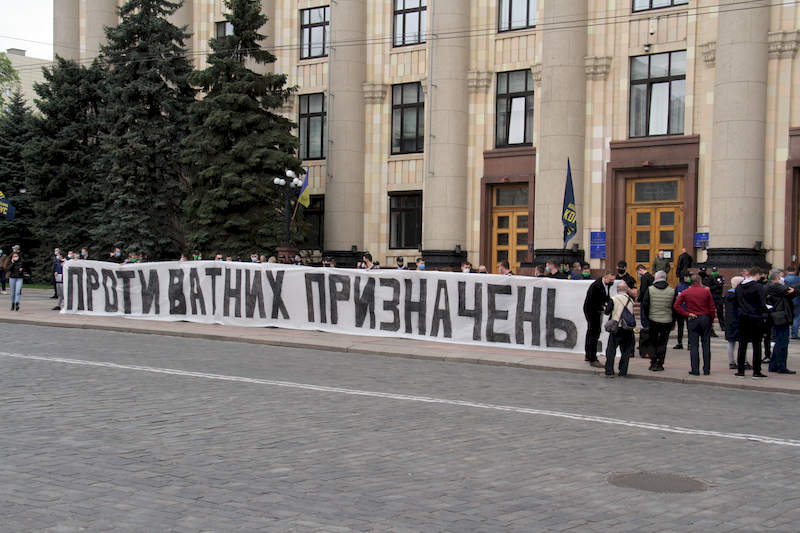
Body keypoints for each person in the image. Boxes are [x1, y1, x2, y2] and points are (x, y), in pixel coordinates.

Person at [673, 274, 716, 376]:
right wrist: (711, 320)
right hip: (705, 318)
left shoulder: (686, 292)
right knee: (706, 345)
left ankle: (695, 369)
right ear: (700, 281)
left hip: (693, 319)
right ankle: (706, 369)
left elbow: (676, 306)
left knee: (694, 345)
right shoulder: (706, 292)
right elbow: (712, 307)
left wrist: (686, 314)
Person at [734, 267, 768, 379]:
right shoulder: (758, 287)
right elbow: (762, 304)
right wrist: (767, 311)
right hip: (755, 318)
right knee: (757, 345)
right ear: (757, 274)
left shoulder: (739, 286)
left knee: (742, 345)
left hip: (742, 318)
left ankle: (740, 371)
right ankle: (756, 371)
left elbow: (736, 302)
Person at [642, 270, 675, 372]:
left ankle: (653, 363)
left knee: (653, 342)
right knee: (663, 343)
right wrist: (673, 321)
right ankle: (660, 364)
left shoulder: (650, 289)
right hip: (667, 321)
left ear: (656, 278)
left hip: (653, 320)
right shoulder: (672, 291)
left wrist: (648, 317)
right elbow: (674, 308)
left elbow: (645, 305)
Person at [766, 269, 796, 374]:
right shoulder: (775, 286)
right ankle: (781, 366)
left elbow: (791, 293)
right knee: (782, 343)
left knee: (779, 342)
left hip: (777, 316)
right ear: (777, 278)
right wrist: (791, 288)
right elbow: (789, 290)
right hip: (781, 317)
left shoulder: (770, 286)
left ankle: (774, 365)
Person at [582, 270, 615, 368]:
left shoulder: (607, 284)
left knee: (591, 332)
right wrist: (604, 308)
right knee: (594, 333)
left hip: (596, 310)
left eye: (613, 280)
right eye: (610, 280)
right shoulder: (596, 286)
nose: (612, 282)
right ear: (605, 277)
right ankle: (593, 358)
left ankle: (588, 355)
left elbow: (606, 296)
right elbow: (593, 302)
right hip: (591, 311)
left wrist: (610, 303)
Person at [604, 281, 636, 377]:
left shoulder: (614, 299)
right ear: (626, 290)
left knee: (611, 350)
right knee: (626, 351)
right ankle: (623, 371)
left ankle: (609, 371)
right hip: (627, 328)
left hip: (616, 328)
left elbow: (607, 312)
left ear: (618, 290)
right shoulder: (631, 300)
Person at [724, 276, 752, 370]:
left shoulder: (728, 294)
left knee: (731, 342)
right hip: (739, 320)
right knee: (742, 342)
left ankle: (731, 362)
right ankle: (744, 362)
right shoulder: (740, 295)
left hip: (729, 321)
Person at [701, 266, 726, 336]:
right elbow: (707, 287)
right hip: (712, 297)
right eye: (713, 271)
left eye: (715, 271)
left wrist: (713, 287)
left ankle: (723, 325)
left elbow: (720, 285)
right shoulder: (709, 278)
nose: (714, 272)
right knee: (710, 312)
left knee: (720, 312)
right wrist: (714, 286)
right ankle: (710, 327)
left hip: (718, 297)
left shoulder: (720, 277)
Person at [673, 271, 691, 349]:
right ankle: (679, 343)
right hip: (680, 310)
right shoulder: (679, 286)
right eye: (687, 276)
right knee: (680, 327)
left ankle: (690, 343)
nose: (688, 278)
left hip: (689, 310)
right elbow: (675, 297)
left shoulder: (692, 286)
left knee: (689, 327)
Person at [636, 264, 655, 329]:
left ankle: (646, 329)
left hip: (644, 300)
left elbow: (643, 290)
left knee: (644, 317)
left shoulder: (644, 277)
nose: (638, 274)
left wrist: (639, 299)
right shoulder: (651, 277)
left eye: (638, 272)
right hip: (651, 299)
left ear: (640, 270)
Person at [784, 265, 800, 340]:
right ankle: (794, 334)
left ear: (787, 271)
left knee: (787, 317)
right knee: (797, 317)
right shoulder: (798, 279)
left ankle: (786, 333)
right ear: (795, 271)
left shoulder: (784, 279)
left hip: (787, 301)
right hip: (797, 300)